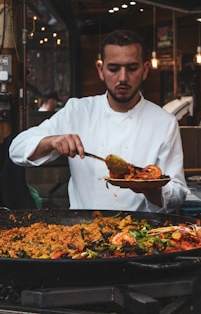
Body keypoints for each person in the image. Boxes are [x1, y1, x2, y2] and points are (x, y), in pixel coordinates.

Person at [9, 29, 189, 212]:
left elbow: (178, 193)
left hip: (140, 233)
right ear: (100, 70)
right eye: (114, 68)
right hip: (82, 232)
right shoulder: (77, 111)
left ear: (145, 70)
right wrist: (52, 142)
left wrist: (150, 188)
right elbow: (16, 150)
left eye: (132, 68)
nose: (123, 77)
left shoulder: (165, 122)